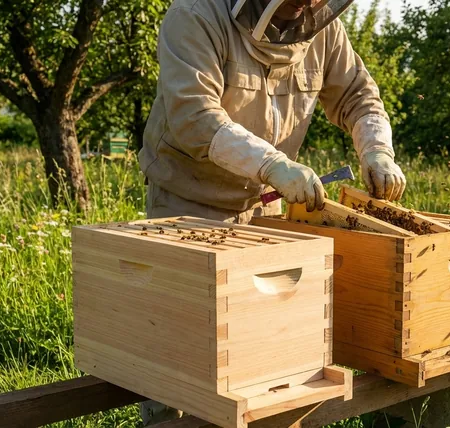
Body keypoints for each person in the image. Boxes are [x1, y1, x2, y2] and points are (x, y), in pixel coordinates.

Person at [137, 0, 406, 422]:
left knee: (261, 345)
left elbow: (357, 93)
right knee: (180, 350)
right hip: (187, 203)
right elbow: (193, 114)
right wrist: (272, 164)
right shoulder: (195, 16)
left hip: (264, 204)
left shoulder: (323, 32)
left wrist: (376, 149)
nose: (307, 6)